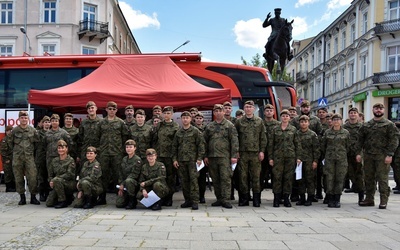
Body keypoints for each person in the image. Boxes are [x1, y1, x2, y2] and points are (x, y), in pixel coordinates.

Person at [357, 103, 399, 209]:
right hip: (368, 155)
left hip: (382, 156)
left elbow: (394, 141)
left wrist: (390, 154)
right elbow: (360, 140)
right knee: (368, 178)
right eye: (376, 108)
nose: (378, 110)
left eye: (380, 109)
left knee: (382, 179)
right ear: (373, 110)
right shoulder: (366, 125)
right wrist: (358, 153)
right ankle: (369, 199)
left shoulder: (389, 125)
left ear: (383, 110)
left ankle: (383, 200)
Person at [203, 104, 239, 209]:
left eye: (220, 111)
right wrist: (205, 155)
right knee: (215, 179)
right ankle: (219, 198)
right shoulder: (209, 126)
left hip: (225, 157)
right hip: (212, 157)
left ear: (224, 112)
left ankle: (226, 199)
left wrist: (233, 156)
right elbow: (204, 142)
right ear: (214, 113)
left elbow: (234, 141)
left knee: (225, 178)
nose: (218, 113)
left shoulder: (229, 125)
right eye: (216, 111)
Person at [97, 101, 130, 205]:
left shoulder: (120, 123)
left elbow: (125, 137)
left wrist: (123, 151)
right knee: (103, 175)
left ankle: (120, 197)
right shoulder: (101, 123)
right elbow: (97, 137)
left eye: (113, 109)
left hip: (117, 153)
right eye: (109, 109)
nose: (111, 111)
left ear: (116, 110)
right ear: (106, 109)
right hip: (104, 153)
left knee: (118, 175)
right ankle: (102, 197)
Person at [235, 100, 267, 207]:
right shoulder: (239, 122)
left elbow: (263, 137)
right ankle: (244, 199)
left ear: (254, 109)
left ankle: (256, 199)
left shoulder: (259, 121)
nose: (248, 108)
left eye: (250, 107)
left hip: (255, 153)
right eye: (246, 107)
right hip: (243, 153)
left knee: (256, 176)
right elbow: (235, 138)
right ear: (244, 109)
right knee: (243, 176)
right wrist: (237, 151)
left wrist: (262, 151)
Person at [172, 111, 205, 210]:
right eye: (183, 118)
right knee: (184, 182)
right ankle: (188, 200)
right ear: (181, 120)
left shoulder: (195, 131)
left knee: (194, 181)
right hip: (182, 161)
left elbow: (201, 146)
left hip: (193, 161)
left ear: (191, 119)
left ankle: (195, 201)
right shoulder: (178, 132)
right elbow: (174, 147)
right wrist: (174, 159)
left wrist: (199, 158)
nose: (185, 119)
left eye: (187, 118)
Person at [269, 109, 301, 207]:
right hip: (277, 157)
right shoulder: (275, 129)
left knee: (288, 178)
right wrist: (270, 158)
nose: (285, 117)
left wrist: (298, 157)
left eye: (287, 116)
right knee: (277, 177)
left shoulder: (293, 129)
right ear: (280, 117)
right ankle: (277, 198)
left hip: (290, 157)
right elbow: (271, 144)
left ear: (289, 118)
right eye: (283, 116)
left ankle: (286, 198)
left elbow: (297, 144)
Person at [7, 111, 40, 205]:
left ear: (28, 119)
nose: (24, 120)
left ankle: (33, 197)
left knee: (33, 177)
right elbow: (10, 144)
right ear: (19, 119)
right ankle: (22, 197)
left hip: (29, 157)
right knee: (18, 178)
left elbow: (37, 144)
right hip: (18, 158)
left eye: (25, 118)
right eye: (22, 118)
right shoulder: (14, 131)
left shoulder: (32, 130)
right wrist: (15, 153)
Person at [152, 106, 179, 206]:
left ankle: (169, 198)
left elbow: (177, 143)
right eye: (165, 113)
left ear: (172, 114)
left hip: (169, 156)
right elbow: (155, 139)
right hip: (159, 156)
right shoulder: (159, 125)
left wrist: (175, 157)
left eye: (168, 113)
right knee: (159, 177)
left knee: (170, 178)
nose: (166, 115)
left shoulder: (175, 126)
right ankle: (161, 197)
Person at [321, 114, 349, 208]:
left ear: (341, 121)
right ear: (331, 121)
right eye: (334, 119)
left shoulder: (345, 132)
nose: (336, 121)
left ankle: (337, 199)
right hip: (330, 159)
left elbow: (348, 146)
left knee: (340, 179)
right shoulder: (327, 132)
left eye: (338, 119)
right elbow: (323, 146)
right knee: (329, 178)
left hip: (341, 159)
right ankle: (330, 197)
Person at [43, 114, 72, 201]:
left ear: (59, 122)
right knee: (50, 176)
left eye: (56, 121)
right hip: (50, 158)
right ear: (51, 122)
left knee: (61, 176)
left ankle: (65, 196)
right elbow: (44, 146)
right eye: (53, 121)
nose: (54, 122)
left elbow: (69, 144)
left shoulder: (63, 133)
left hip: (61, 158)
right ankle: (53, 194)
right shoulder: (47, 133)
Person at [295, 115, 320, 206]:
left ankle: (310, 198)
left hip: (309, 160)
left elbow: (316, 149)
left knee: (310, 179)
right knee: (300, 180)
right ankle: (302, 198)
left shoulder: (312, 134)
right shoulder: (296, 133)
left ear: (308, 123)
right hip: (299, 160)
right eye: (301, 122)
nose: (303, 123)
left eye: (305, 122)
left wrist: (315, 161)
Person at [343, 107, 365, 204]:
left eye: (354, 113)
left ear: (358, 115)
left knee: (359, 175)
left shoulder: (362, 127)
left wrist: (360, 153)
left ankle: (361, 196)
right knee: (349, 174)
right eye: (351, 113)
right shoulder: (344, 127)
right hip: (347, 154)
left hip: (358, 155)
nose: (353, 114)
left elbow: (365, 141)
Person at [46, 140, 76, 208]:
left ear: (66, 149)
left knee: (57, 180)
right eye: (59, 148)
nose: (61, 150)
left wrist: (56, 179)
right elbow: (50, 174)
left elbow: (69, 174)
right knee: (49, 203)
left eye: (62, 148)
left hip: (69, 183)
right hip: (57, 184)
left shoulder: (70, 160)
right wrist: (51, 180)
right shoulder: (54, 160)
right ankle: (67, 197)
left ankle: (62, 201)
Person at [116, 140, 142, 209]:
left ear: (135, 148)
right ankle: (126, 197)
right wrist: (121, 184)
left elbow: (134, 174)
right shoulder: (124, 159)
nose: (128, 149)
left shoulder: (137, 160)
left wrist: (123, 183)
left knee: (129, 180)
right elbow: (120, 173)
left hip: (134, 184)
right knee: (119, 204)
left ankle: (132, 201)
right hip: (124, 185)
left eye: (130, 147)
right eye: (127, 147)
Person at [77, 101, 102, 168]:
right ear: (87, 110)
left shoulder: (101, 122)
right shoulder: (83, 123)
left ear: (96, 108)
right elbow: (80, 138)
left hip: (98, 152)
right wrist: (79, 153)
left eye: (92, 108)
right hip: (86, 151)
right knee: (84, 170)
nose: (91, 110)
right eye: (89, 108)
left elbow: (103, 137)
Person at [261, 104, 279, 190]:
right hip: (263, 152)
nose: (269, 112)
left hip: (274, 152)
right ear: (264, 112)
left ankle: (277, 196)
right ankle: (258, 196)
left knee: (275, 174)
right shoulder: (260, 123)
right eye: (267, 111)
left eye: (271, 111)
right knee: (261, 173)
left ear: (273, 112)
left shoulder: (278, 124)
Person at [193, 111, 207, 203]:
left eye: (200, 118)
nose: (198, 120)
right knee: (194, 178)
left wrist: (205, 156)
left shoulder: (207, 129)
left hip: (202, 157)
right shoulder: (191, 128)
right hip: (192, 156)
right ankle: (194, 196)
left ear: (203, 119)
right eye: (197, 118)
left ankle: (202, 196)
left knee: (202, 178)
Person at [35, 116, 51, 200]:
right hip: (40, 157)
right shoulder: (38, 133)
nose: (47, 124)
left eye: (48, 122)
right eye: (45, 122)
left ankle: (48, 193)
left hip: (49, 158)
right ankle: (41, 193)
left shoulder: (52, 133)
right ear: (43, 123)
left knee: (49, 176)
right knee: (41, 177)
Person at [0, 125, 15, 192]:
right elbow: (3, 151)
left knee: (13, 173)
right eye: (9, 131)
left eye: (11, 131)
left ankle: (14, 186)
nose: (10, 132)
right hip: (7, 160)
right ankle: (8, 187)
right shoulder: (4, 140)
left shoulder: (14, 139)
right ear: (6, 131)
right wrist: (6, 159)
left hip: (14, 159)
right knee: (8, 173)